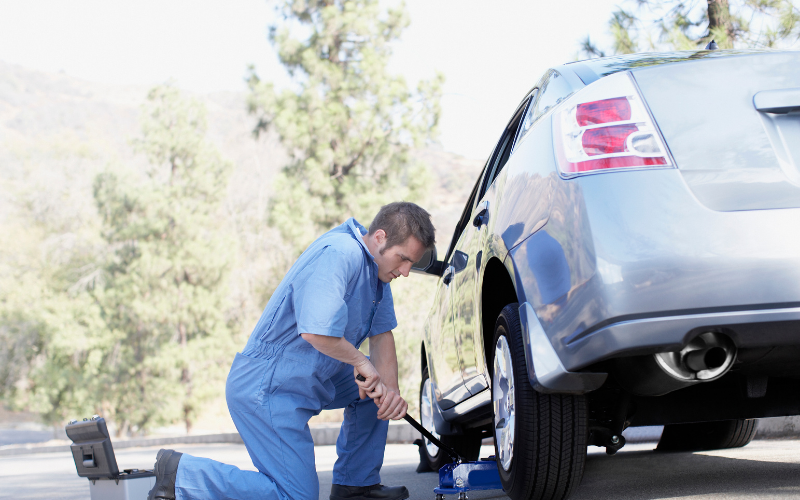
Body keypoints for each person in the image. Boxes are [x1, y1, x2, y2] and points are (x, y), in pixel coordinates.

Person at [148, 201, 436, 500]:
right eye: (402, 260)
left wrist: (391, 393)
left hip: (309, 378)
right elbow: (315, 332)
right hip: (268, 387)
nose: (405, 272)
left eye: (411, 264)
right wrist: (361, 364)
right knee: (295, 497)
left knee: (374, 392)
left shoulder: (377, 272)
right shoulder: (340, 253)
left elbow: (382, 336)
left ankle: (356, 486)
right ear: (379, 238)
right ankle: (182, 474)